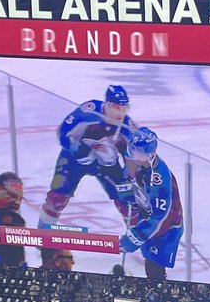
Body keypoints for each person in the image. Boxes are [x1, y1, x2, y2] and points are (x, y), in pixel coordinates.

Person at [38, 85, 139, 229]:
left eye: (125, 108)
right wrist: (74, 148)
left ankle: (139, 239)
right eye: (117, 107)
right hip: (74, 160)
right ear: (107, 105)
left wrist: (128, 177)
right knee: (57, 196)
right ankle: (42, 233)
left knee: (127, 201)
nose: (121, 113)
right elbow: (62, 131)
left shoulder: (128, 126)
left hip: (107, 164)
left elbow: (132, 156)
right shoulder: (88, 112)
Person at [118, 127, 185, 281]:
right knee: (148, 255)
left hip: (167, 226)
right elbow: (126, 177)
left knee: (154, 268)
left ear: (151, 155)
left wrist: (135, 237)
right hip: (147, 216)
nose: (133, 157)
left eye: (139, 154)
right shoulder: (134, 159)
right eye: (132, 151)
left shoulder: (159, 178)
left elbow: (160, 217)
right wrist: (126, 194)